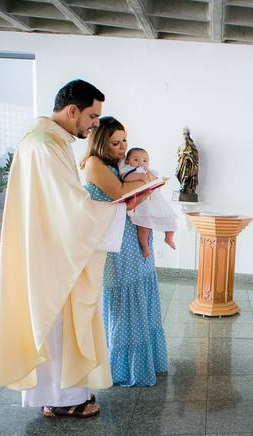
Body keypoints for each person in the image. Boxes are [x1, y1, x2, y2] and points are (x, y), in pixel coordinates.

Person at [0, 80, 149, 418]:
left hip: (50, 245)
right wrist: (116, 209)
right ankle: (63, 401)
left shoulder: (45, 141)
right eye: (92, 116)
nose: (95, 125)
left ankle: (64, 396)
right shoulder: (46, 146)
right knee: (58, 322)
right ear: (72, 110)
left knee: (59, 323)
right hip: (54, 252)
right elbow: (72, 210)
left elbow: (63, 204)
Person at [83, 117, 169, 387]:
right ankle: (126, 368)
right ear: (100, 142)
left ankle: (149, 361)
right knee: (123, 300)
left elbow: (134, 194)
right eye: (116, 143)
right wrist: (146, 182)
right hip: (116, 242)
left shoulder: (116, 164)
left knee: (142, 292)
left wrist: (145, 185)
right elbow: (121, 192)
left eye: (125, 142)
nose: (122, 148)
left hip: (132, 234)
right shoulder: (94, 164)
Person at [120, 147, 178, 258]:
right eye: (136, 160)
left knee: (170, 218)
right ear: (128, 161)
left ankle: (169, 237)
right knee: (144, 226)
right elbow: (126, 178)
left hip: (156, 202)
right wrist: (141, 176)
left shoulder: (151, 171)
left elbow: (156, 182)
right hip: (143, 203)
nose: (141, 163)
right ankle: (145, 246)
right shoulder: (129, 171)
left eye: (145, 161)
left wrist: (158, 181)